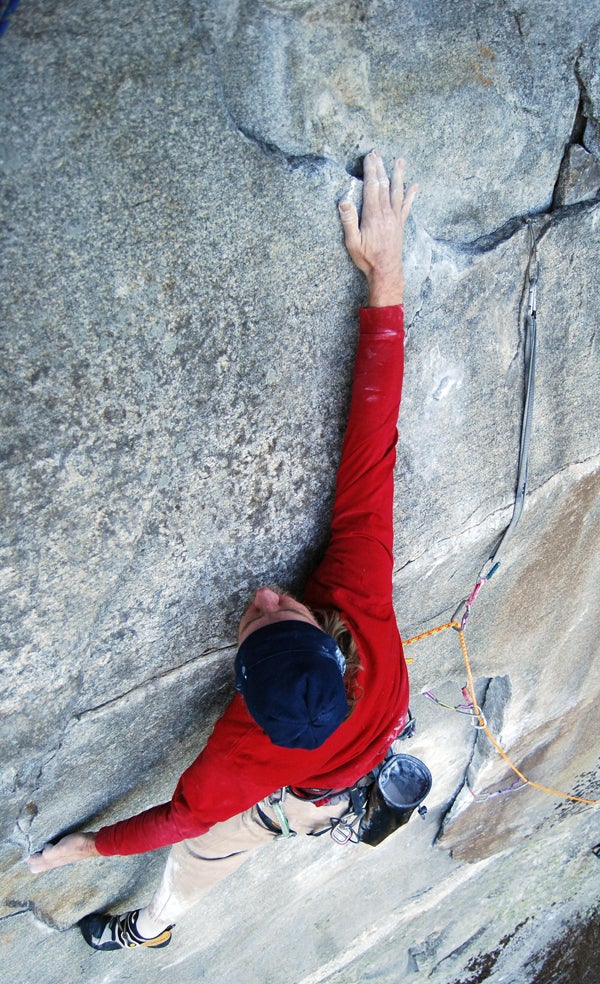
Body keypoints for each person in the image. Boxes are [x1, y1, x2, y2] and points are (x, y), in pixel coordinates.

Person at [28, 149, 419, 951]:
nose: (270, 594)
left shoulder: (239, 760)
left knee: (202, 858)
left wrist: (81, 848)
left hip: (298, 791)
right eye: (287, 610)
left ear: (240, 693)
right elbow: (372, 446)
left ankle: (149, 928)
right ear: (331, 640)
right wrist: (386, 279)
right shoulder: (360, 603)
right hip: (358, 741)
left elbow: (179, 818)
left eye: (260, 616)